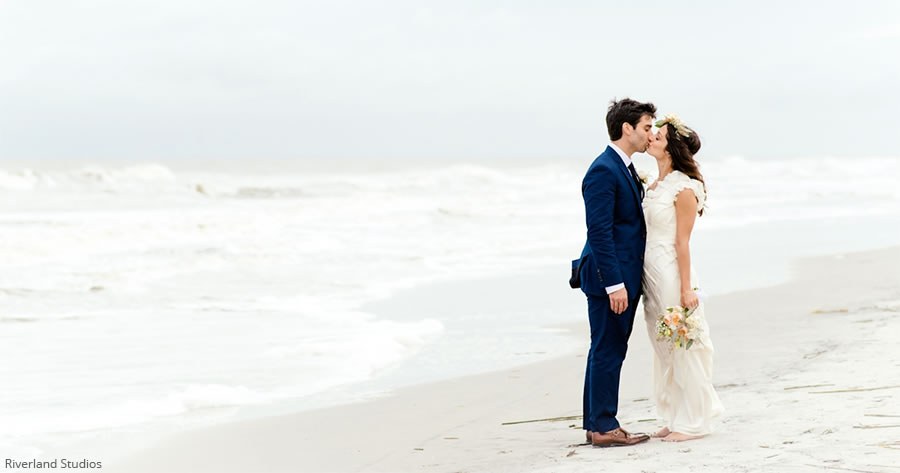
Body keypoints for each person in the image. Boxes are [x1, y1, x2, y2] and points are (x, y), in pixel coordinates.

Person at [574, 98, 654, 447]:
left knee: (606, 348)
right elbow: (599, 232)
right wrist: (615, 284)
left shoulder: (623, 166)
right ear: (628, 128)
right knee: (608, 349)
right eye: (647, 127)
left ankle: (596, 424)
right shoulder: (604, 170)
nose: (650, 134)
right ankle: (604, 426)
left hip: (618, 274)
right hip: (611, 277)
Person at [641, 114, 724, 442]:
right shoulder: (654, 184)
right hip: (651, 274)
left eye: (658, 137)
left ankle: (693, 421)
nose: (651, 139)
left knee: (682, 343)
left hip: (673, 273)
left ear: (672, 148)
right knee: (662, 345)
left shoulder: (685, 188)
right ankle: (674, 414)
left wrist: (687, 289)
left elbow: (682, 242)